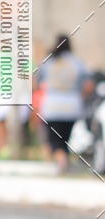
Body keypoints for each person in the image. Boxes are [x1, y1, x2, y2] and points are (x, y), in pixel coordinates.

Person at [37, 34, 90, 173]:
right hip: (73, 105)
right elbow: (88, 85)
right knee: (66, 137)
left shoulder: (49, 61)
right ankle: (65, 163)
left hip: (53, 105)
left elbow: (37, 82)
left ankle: (62, 163)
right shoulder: (77, 62)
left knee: (55, 138)